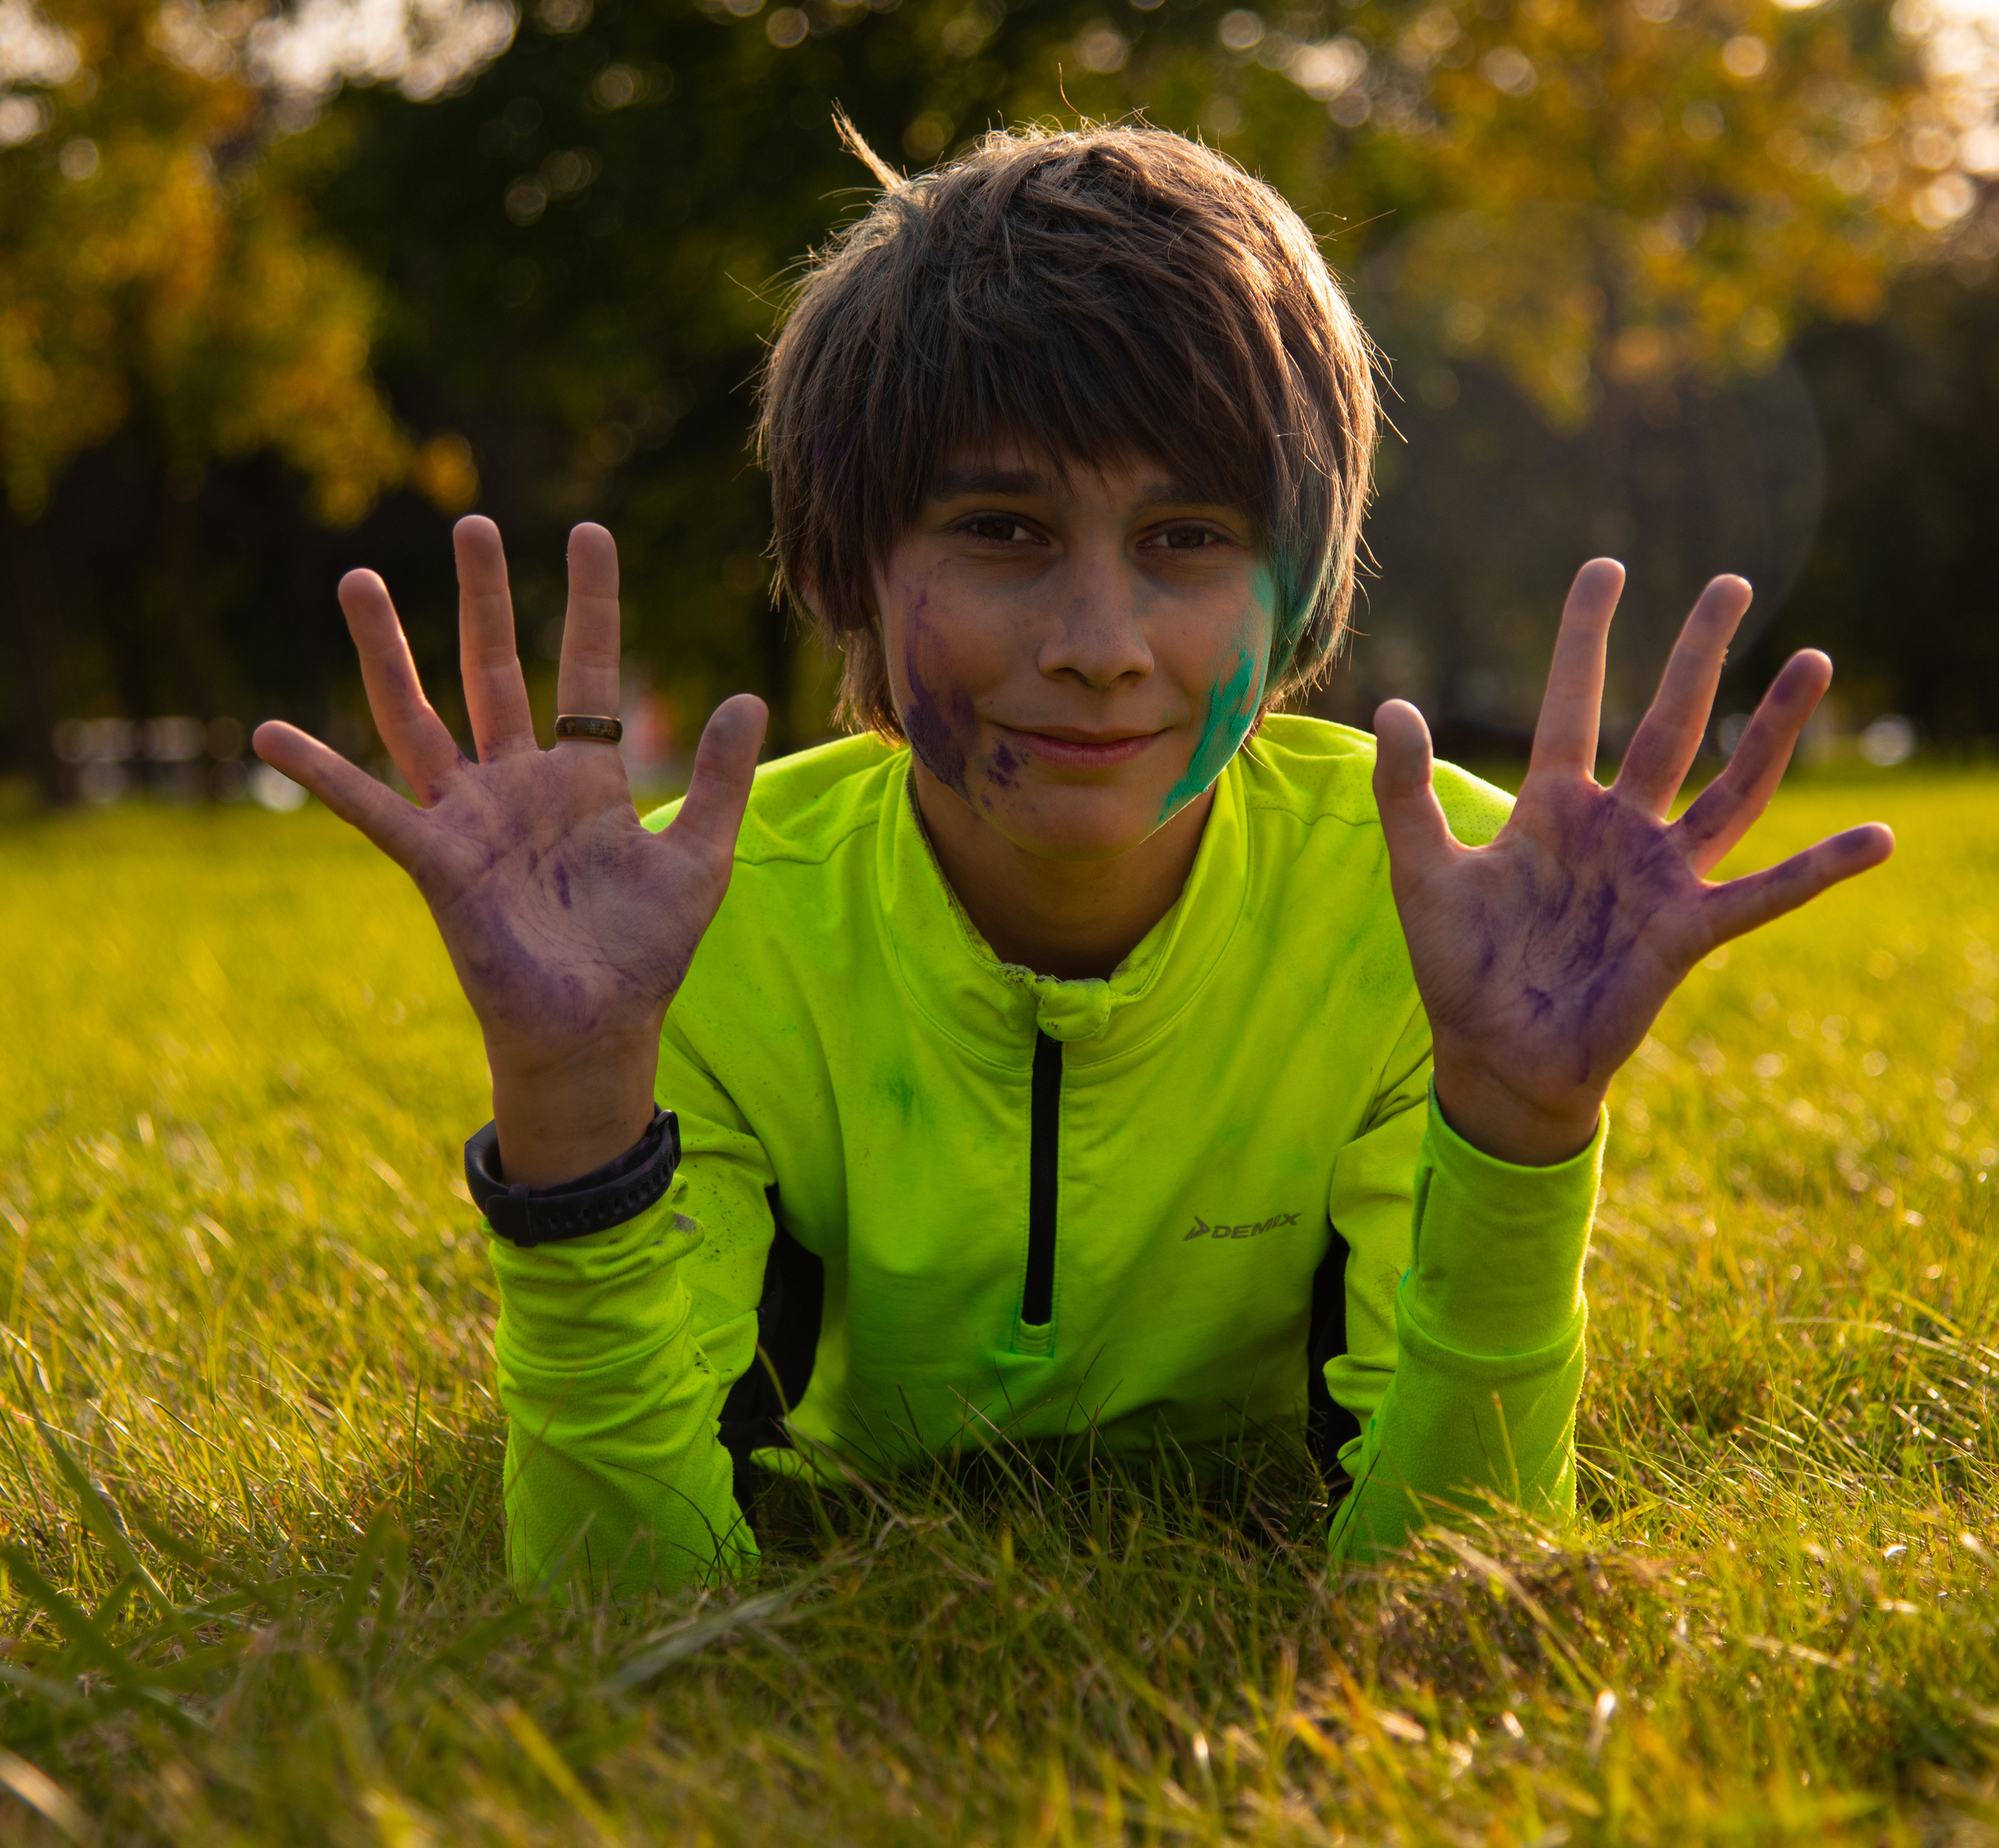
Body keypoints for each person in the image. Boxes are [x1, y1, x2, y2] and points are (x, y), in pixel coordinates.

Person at [255, 123, 1892, 1595]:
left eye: (1185, 540)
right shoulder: (699, 929)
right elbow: (616, 1588)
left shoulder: (1436, 915)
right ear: (848, 565)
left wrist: (1522, 1133)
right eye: (1002, 534)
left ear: (1298, 587)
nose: (1101, 644)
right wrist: (569, 1104)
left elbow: (1456, 1564)